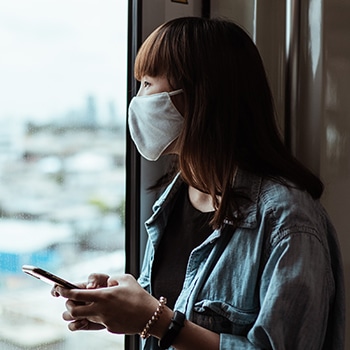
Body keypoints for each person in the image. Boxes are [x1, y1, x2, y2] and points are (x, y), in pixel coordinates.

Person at [52, 17, 345, 349]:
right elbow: (179, 308)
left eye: (148, 83)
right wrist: (121, 307)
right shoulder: (178, 194)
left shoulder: (287, 220)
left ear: (197, 95)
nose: (138, 99)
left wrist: (159, 323)